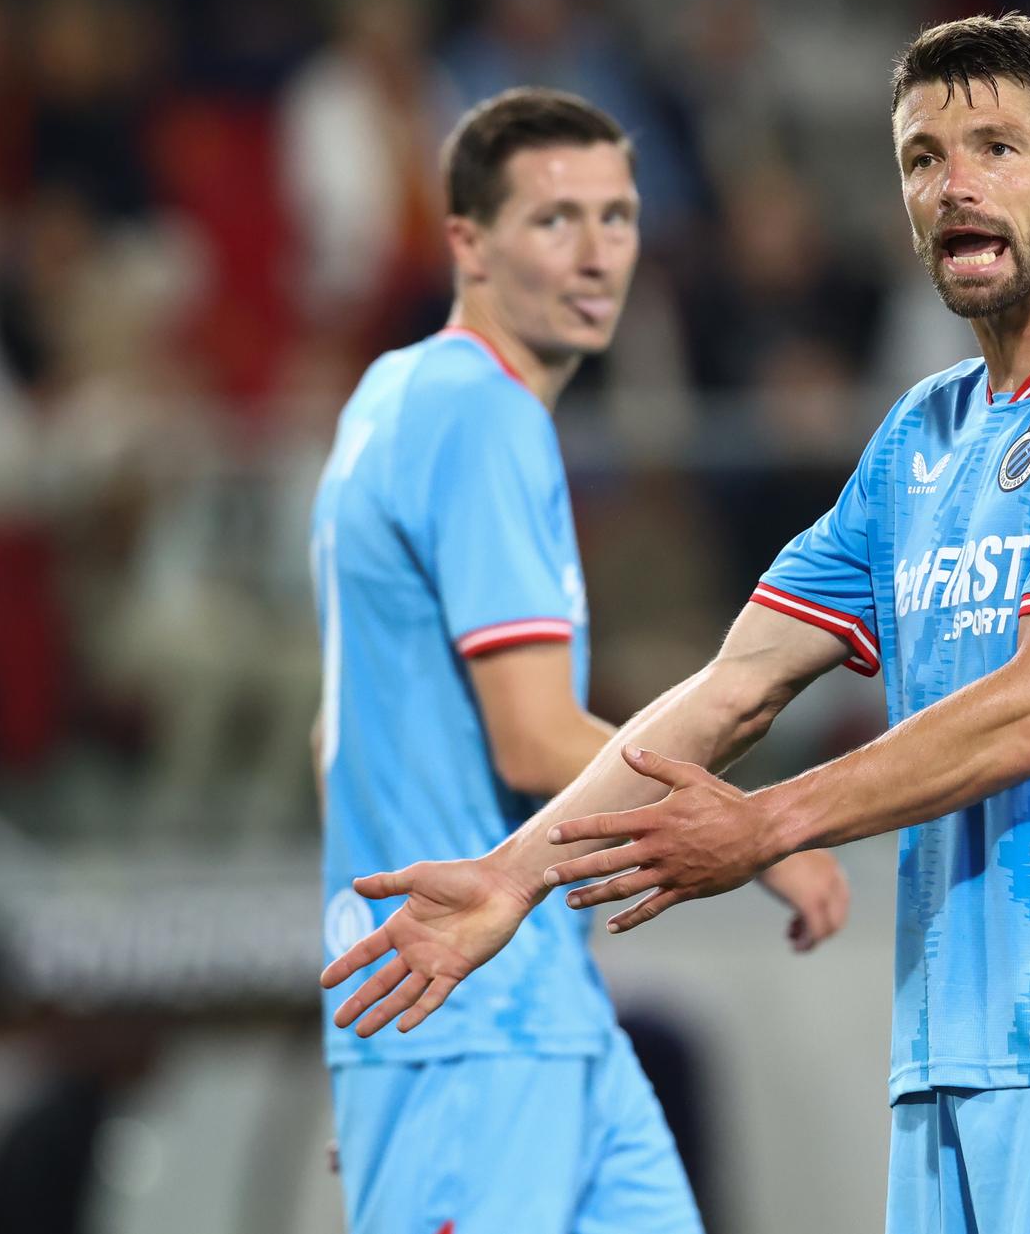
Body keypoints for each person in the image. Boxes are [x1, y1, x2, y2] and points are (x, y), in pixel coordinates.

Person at [324, 17, 1030, 1234]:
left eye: (997, 148)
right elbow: (730, 689)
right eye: (923, 157)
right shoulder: (920, 439)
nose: (956, 183)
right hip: (946, 1054)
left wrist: (767, 824)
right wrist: (515, 875)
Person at [309, 87, 849, 1234]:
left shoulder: (390, 396)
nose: (598, 253)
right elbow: (535, 735)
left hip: (521, 1004)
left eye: (618, 216)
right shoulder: (482, 415)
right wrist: (756, 835)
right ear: (469, 243)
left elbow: (333, 734)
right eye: (555, 220)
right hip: (475, 1012)